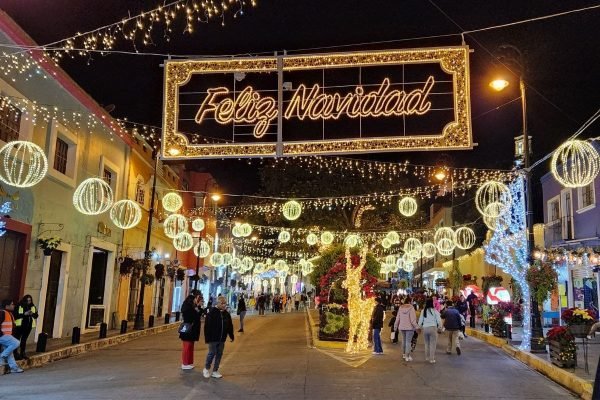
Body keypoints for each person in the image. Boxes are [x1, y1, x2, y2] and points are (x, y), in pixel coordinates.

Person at [203, 296, 234, 379]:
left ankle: (215, 371)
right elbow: (207, 326)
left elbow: (230, 325)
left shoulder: (226, 314)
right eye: (222, 303)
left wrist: (231, 335)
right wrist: (207, 338)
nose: (224, 305)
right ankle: (206, 368)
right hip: (213, 338)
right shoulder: (212, 312)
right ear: (217, 303)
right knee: (211, 353)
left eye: (225, 303)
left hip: (222, 339)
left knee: (219, 354)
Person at [179, 294, 203, 370]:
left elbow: (199, 314)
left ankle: (189, 362)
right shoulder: (188, 309)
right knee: (187, 347)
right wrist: (197, 308)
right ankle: (185, 363)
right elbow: (195, 316)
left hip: (191, 331)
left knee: (190, 347)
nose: (196, 300)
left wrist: (198, 307)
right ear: (191, 300)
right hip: (188, 330)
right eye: (195, 299)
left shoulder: (192, 307)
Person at [0, 299, 24, 374]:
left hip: (7, 335)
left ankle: (14, 368)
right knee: (16, 343)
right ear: (7, 306)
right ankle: (3, 355)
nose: (13, 305)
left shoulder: (9, 313)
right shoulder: (2, 313)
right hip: (3, 336)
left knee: (10, 353)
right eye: (12, 304)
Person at [394, 296, 419, 361]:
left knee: (404, 341)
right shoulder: (411, 308)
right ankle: (408, 356)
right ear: (409, 301)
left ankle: (404, 354)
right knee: (408, 342)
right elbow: (413, 320)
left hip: (402, 327)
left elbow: (397, 318)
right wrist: (417, 327)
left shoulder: (400, 307)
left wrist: (395, 327)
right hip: (409, 328)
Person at [13, 294, 38, 360]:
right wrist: (24, 314)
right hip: (20, 326)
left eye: (30, 300)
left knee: (24, 340)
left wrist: (32, 313)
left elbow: (36, 316)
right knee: (17, 339)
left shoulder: (32, 306)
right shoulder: (19, 306)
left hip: (28, 326)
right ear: (24, 300)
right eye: (27, 300)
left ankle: (22, 353)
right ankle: (15, 353)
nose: (28, 302)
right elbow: (15, 315)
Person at [418, 298, 443, 363]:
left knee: (426, 344)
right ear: (432, 303)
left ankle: (427, 357)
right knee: (433, 344)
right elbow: (439, 320)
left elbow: (420, 320)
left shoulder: (423, 311)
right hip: (433, 328)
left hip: (425, 328)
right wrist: (440, 328)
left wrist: (419, 327)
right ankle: (431, 359)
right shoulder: (435, 311)